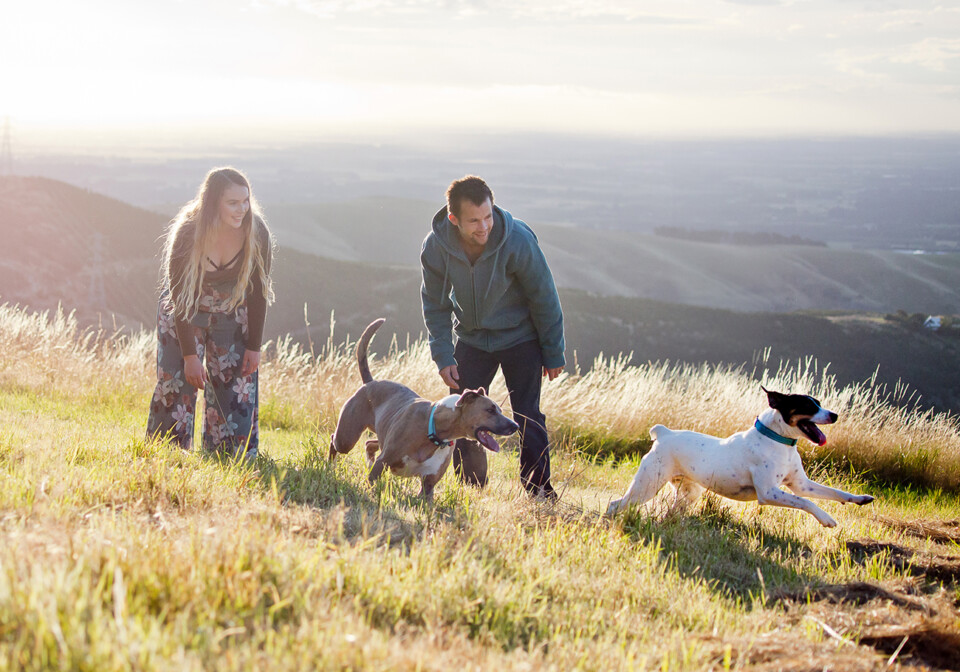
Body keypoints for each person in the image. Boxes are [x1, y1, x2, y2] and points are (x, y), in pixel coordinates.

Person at [420, 175, 565, 497]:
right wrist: (443, 355)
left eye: (487, 216)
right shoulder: (436, 247)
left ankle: (538, 488)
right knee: (462, 414)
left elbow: (544, 297)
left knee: (528, 413)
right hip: (471, 339)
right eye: (473, 221)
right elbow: (435, 304)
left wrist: (553, 352)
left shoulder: (517, 240)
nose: (483, 226)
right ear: (453, 219)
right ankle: (472, 488)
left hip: (521, 338)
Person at [147, 167, 274, 460]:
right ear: (213, 202)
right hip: (184, 312)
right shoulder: (188, 233)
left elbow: (258, 295)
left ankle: (229, 457)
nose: (242, 209)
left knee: (236, 387)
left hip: (232, 311)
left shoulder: (257, 233)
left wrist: (254, 347)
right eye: (233, 202)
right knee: (176, 384)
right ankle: (167, 456)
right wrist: (190, 356)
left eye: (246, 201)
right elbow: (179, 299)